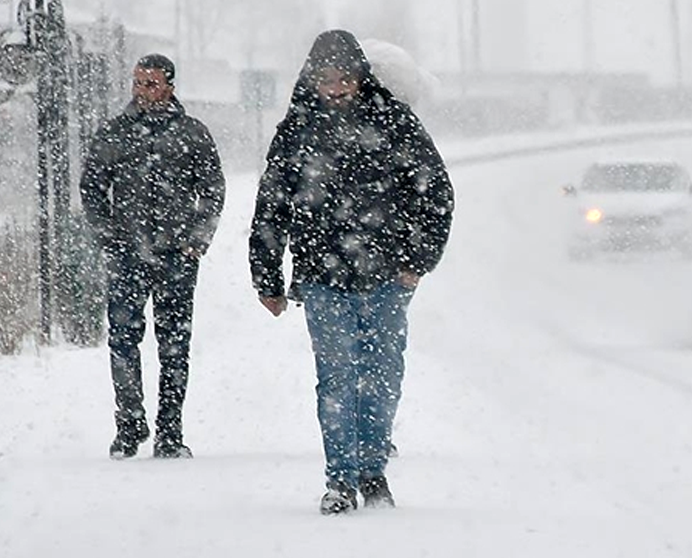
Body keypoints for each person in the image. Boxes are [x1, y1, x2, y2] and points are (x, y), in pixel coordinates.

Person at [249, 30, 453, 514]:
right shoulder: (297, 130)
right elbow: (272, 204)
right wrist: (267, 276)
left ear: (361, 78)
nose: (337, 88)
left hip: (386, 276)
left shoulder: (394, 123)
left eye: (345, 79)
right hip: (323, 276)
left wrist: (416, 261)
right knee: (337, 377)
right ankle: (340, 479)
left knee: (382, 376)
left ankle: (373, 470)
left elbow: (436, 195)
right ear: (312, 79)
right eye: (328, 79)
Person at [80, 53, 225, 460]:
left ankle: (170, 432)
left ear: (170, 86)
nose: (141, 91)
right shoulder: (114, 133)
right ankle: (129, 424)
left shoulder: (193, 134)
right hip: (126, 253)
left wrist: (196, 241)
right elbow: (91, 188)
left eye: (150, 84)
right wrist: (108, 236)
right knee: (123, 339)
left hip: (177, 255)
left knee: (174, 344)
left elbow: (212, 190)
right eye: (137, 82)